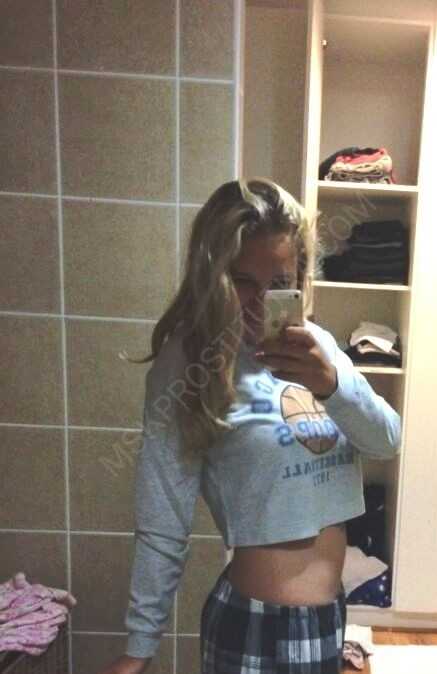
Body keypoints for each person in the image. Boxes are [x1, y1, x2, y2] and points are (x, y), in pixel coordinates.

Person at [97, 178, 401, 674]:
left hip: (328, 621)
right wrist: (139, 648)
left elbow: (387, 440)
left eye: (279, 283)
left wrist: (332, 385)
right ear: (211, 275)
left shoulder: (319, 347)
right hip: (252, 630)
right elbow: (163, 518)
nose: (260, 302)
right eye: (242, 281)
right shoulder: (188, 365)